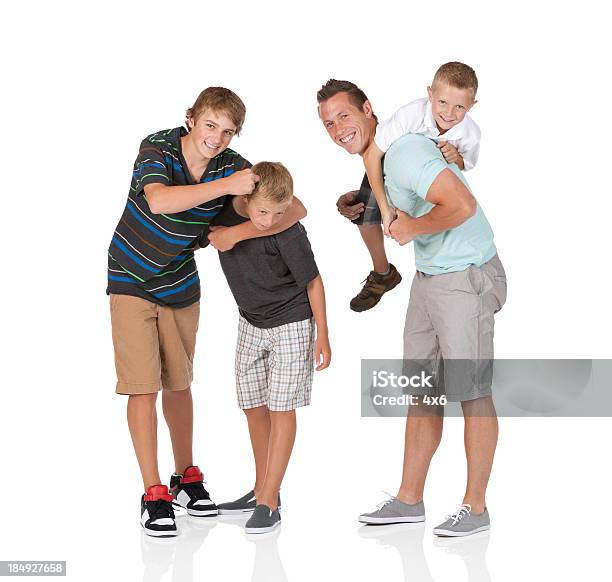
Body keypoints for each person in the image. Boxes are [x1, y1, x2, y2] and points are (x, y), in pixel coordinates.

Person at [107, 87, 306, 537]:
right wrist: (228, 187)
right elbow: (159, 200)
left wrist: (237, 234)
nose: (216, 139)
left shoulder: (233, 165)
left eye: (228, 132)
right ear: (191, 119)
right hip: (131, 277)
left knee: (179, 383)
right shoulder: (157, 147)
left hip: (180, 281)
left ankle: (184, 478)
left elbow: (294, 208)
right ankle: (153, 491)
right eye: (210, 126)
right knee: (143, 387)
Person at [317, 80, 507, 537]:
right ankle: (409, 500)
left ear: (367, 109)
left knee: (472, 392)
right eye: (328, 123)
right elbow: (386, 190)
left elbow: (462, 204)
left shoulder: (404, 153)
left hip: (464, 276)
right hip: (430, 278)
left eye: (345, 116)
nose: (338, 129)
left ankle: (476, 509)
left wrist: (414, 227)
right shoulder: (379, 158)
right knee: (422, 389)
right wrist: (373, 207)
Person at [208, 162, 331, 534]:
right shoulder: (225, 210)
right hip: (250, 320)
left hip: (291, 321)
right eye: (262, 211)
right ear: (245, 199)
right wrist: (230, 234)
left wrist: (322, 333)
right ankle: (262, 486)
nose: (268, 220)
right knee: (251, 404)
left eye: (278, 213)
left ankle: (269, 499)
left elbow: (313, 281)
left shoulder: (287, 230)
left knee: (281, 408)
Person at [363, 62, 481, 236]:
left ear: (471, 105)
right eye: (442, 102)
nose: (449, 113)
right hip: (390, 172)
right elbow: (371, 155)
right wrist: (385, 208)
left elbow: (466, 164)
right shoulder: (409, 115)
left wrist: (456, 157)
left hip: (426, 189)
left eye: (460, 107)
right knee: (364, 214)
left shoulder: (471, 133)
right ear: (430, 95)